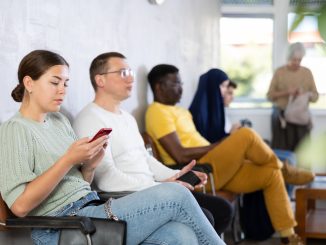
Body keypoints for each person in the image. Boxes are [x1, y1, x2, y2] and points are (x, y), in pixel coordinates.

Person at [0, 50, 224, 245]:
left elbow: (78, 186)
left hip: (90, 211)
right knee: (176, 194)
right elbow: (20, 206)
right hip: (64, 228)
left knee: (181, 235)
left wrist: (89, 167)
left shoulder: (59, 122)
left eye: (66, 83)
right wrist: (67, 160)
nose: (62, 90)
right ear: (29, 83)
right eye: (55, 82)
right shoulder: (14, 129)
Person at [145, 64, 314, 245]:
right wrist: (221, 145)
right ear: (159, 87)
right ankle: (286, 170)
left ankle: (288, 236)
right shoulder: (157, 111)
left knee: (270, 174)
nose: (181, 88)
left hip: (214, 165)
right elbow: (179, 155)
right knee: (246, 135)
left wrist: (222, 147)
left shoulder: (181, 111)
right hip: (199, 172)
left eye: (181, 83)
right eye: (175, 83)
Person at [73, 52, 233, 235]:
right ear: (100, 80)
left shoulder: (127, 117)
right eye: (123, 73)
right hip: (127, 197)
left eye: (131, 72)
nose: (131, 78)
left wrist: (178, 175)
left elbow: (146, 159)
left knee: (222, 210)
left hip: (150, 189)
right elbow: (107, 180)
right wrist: (160, 186)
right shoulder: (90, 119)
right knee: (207, 216)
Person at [267, 42, 319, 151]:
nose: (297, 62)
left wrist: (306, 95)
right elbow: (269, 96)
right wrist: (287, 92)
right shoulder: (280, 72)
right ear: (288, 58)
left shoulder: (307, 73)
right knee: (283, 151)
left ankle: (302, 168)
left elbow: (315, 96)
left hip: (300, 117)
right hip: (282, 117)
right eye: (294, 59)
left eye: (299, 60)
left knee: (302, 151)